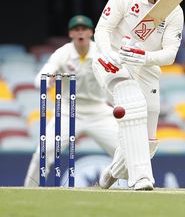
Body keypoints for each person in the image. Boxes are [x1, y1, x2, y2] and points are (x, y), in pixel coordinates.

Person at [93, 0, 185, 191]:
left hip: (145, 68)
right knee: (134, 106)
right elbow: (102, 29)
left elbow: (170, 55)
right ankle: (141, 178)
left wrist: (145, 57)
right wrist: (107, 53)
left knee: (149, 140)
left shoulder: (175, 11)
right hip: (112, 61)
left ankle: (112, 173)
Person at [25, 15, 119, 186]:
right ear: (71, 34)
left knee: (127, 153)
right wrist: (47, 80)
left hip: (99, 111)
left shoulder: (101, 52)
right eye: (76, 30)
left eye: (84, 29)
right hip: (68, 112)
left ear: (91, 32)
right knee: (43, 153)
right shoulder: (63, 53)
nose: (80, 32)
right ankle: (27, 192)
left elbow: (116, 77)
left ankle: (130, 185)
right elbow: (41, 78)